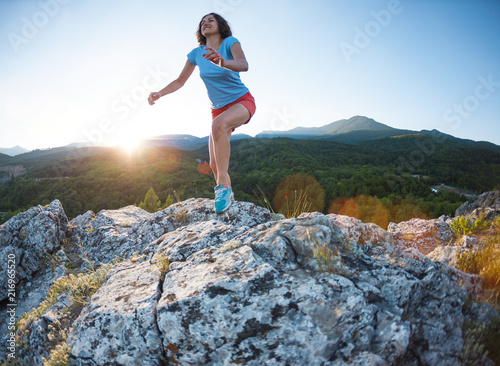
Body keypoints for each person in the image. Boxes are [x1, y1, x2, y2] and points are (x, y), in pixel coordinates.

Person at [148, 13, 255, 213]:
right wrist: (159, 93)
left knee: (217, 126)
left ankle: (221, 188)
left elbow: (243, 64)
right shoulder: (196, 53)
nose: (205, 23)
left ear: (220, 25)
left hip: (242, 101)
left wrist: (222, 62)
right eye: (202, 22)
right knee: (215, 165)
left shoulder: (229, 42)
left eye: (210, 20)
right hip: (218, 110)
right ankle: (230, 199)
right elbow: (180, 81)